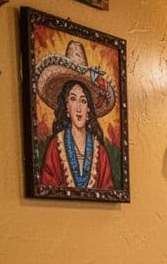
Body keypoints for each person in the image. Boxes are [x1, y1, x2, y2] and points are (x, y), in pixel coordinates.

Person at [35, 40, 117, 191]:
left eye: (83, 101)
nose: (78, 107)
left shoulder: (101, 153)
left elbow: (108, 188)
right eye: (73, 99)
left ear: (89, 110)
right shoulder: (55, 147)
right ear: (66, 107)